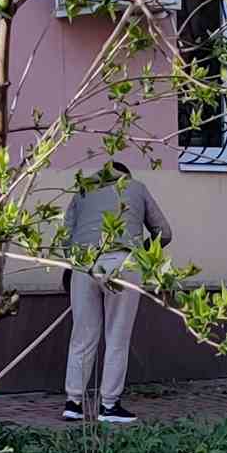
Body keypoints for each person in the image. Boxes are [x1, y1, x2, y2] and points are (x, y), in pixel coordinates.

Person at [59, 160, 172, 425]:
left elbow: (65, 237)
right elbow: (164, 232)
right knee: (117, 336)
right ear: (126, 175)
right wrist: (142, 251)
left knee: (82, 336)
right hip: (123, 263)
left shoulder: (82, 191)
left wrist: (73, 267)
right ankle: (109, 406)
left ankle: (73, 403)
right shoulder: (137, 188)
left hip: (84, 264)